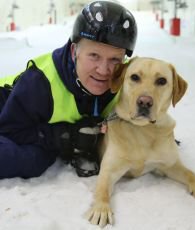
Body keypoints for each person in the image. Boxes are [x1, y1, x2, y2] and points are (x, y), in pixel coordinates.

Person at [0, 1, 137, 179]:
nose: (104, 70)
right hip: (7, 107)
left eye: (114, 60)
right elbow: (11, 129)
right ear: (75, 51)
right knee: (31, 161)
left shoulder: (124, 80)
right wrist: (66, 136)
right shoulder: (40, 82)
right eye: (94, 56)